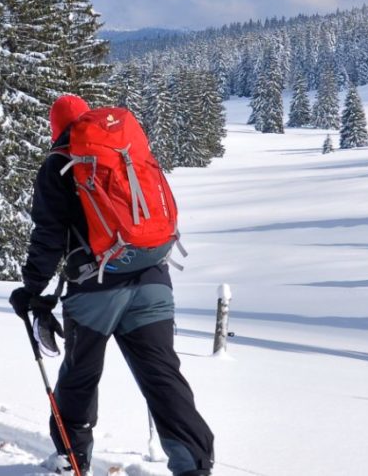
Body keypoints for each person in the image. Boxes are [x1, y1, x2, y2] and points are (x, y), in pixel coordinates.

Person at [11, 95, 215, 476]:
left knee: (80, 373)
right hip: (154, 276)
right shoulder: (127, 152)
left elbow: (48, 236)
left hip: (96, 288)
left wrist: (31, 289)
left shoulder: (59, 165)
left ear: (55, 128)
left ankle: (72, 459)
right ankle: (194, 464)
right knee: (162, 374)